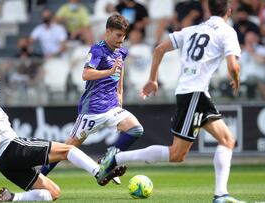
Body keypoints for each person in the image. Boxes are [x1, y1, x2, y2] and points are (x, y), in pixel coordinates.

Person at [97, 1, 246, 203]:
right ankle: (115, 158)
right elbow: (233, 66)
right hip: (195, 94)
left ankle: (221, 195)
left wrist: (152, 79)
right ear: (229, 11)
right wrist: (236, 80)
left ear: (208, 10)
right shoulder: (227, 32)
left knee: (227, 140)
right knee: (176, 154)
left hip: (194, 93)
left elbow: (159, 49)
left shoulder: (192, 29)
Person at [0, 65, 126, 202]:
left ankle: (11, 197)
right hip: (14, 148)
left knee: (52, 193)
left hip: (4, 163)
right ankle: (99, 172)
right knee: (68, 150)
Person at [40, 14, 144, 185]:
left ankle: (107, 161)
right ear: (108, 31)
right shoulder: (97, 50)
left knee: (136, 129)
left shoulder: (122, 51)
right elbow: (86, 74)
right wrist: (109, 72)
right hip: (92, 110)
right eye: (118, 35)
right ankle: (40, 176)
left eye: (124, 36)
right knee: (67, 149)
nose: (121, 39)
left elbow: (120, 68)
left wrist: (120, 93)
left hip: (111, 107)